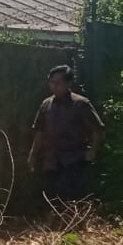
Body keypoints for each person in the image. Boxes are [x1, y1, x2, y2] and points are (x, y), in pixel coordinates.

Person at [27, 65, 104, 202]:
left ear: (68, 83)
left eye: (58, 83)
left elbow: (97, 129)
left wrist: (93, 150)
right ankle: (57, 221)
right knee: (52, 195)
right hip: (51, 159)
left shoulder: (81, 104)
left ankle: (70, 221)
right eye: (51, 82)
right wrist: (32, 155)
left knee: (67, 194)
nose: (54, 86)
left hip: (74, 158)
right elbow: (39, 131)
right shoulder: (46, 104)